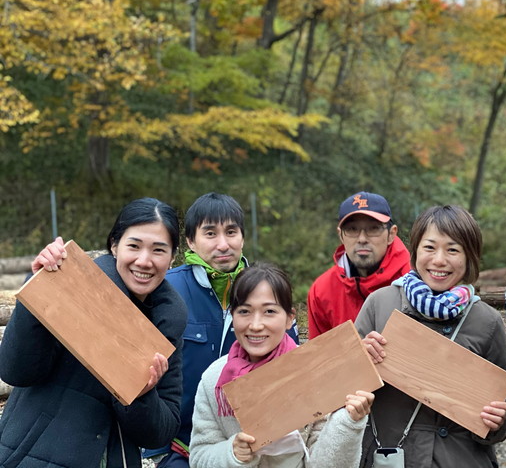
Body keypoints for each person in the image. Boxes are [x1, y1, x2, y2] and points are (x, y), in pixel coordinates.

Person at [0, 197, 187, 467]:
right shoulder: (70, 287)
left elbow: (160, 431)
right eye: (133, 246)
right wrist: (39, 292)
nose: (144, 261)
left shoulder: (167, 323)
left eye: (159, 250)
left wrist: (141, 394)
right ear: (114, 246)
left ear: (172, 258)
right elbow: (16, 371)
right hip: (34, 455)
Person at [145, 193, 299, 467]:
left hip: (250, 447)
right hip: (177, 446)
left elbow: (291, 366)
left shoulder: (265, 290)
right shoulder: (165, 290)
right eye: (210, 234)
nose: (223, 244)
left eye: (231, 232)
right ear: (190, 241)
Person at [356, 205, 506, 468]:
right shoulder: (380, 303)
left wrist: (499, 421)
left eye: (453, 250)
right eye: (429, 247)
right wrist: (359, 360)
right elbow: (342, 392)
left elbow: (505, 404)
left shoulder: (486, 320)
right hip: (390, 455)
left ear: (470, 257)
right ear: (415, 251)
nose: (439, 260)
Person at [189, 262, 375, 467]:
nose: (256, 325)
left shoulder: (313, 372)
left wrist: (348, 423)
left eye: (269, 311)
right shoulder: (214, 379)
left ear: (289, 319)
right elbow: (198, 457)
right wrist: (232, 452)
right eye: (244, 311)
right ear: (232, 316)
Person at [307, 191, 410, 339]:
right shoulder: (322, 290)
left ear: (391, 234)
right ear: (340, 235)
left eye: (373, 228)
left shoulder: (415, 281)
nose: (362, 239)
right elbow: (319, 357)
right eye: (352, 229)